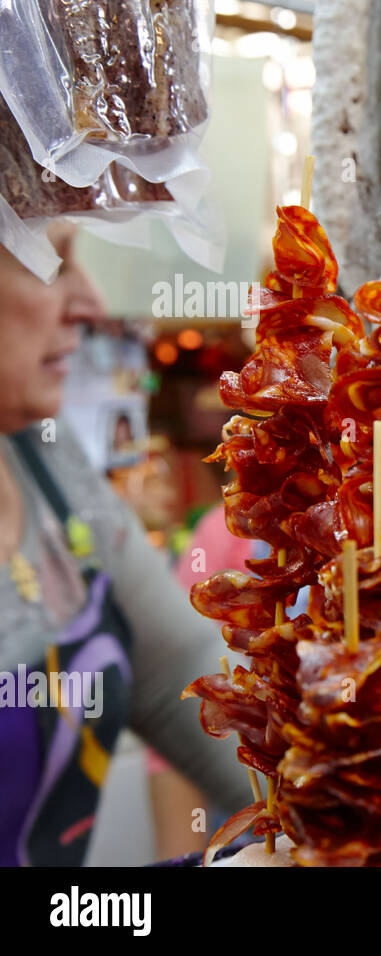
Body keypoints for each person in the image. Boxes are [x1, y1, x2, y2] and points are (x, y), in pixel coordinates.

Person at [0, 222, 249, 865]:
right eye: (50, 260)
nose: (89, 303)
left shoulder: (49, 468)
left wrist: (379, 818)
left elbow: (184, 682)